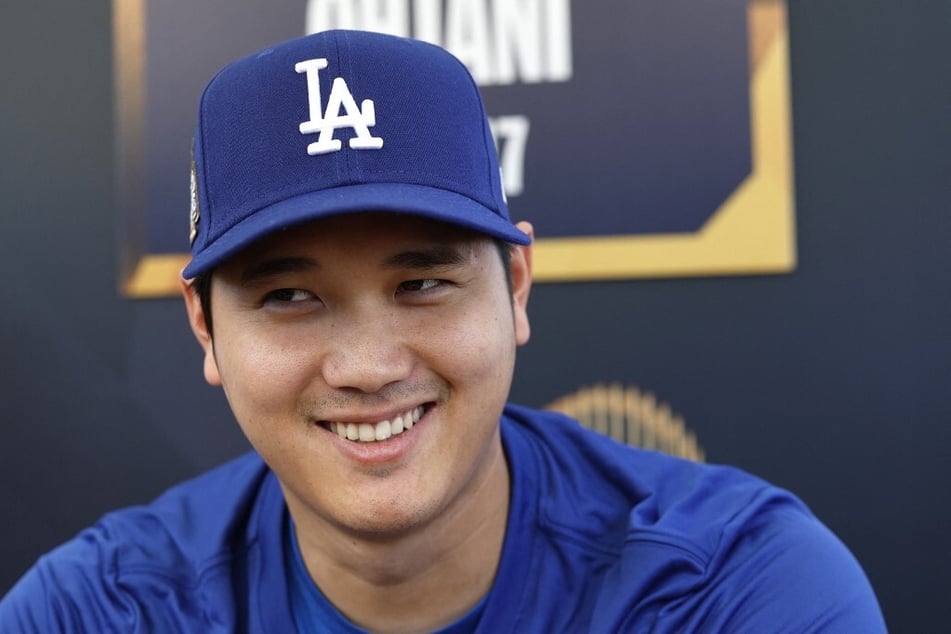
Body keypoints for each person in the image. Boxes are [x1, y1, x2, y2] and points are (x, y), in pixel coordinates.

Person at [0, 29, 885, 633]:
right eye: (289, 298)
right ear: (204, 328)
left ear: (515, 286)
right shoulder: (100, 611)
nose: (368, 366)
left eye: (421, 282)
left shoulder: (732, 591)